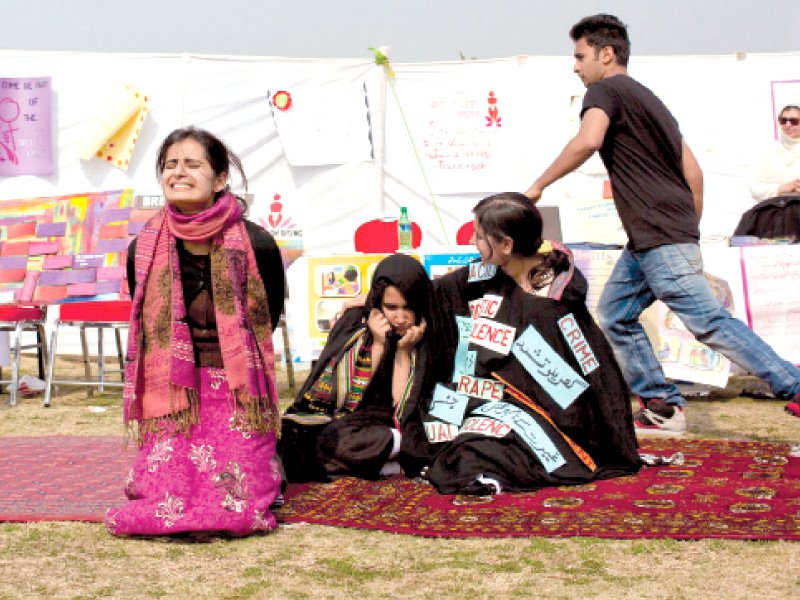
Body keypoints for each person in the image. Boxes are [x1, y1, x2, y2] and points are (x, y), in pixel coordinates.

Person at [524, 14, 800, 434]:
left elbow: (588, 140)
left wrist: (537, 187)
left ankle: (794, 386)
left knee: (709, 323)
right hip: (655, 238)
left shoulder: (605, 90)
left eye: (580, 56)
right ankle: (663, 405)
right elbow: (694, 172)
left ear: (607, 53)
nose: (575, 66)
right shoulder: (653, 102)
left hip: (659, 237)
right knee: (616, 312)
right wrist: (687, 229)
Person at [106, 127, 286, 536]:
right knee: (166, 499)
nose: (179, 173)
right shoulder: (144, 248)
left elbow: (265, 322)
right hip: (173, 391)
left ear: (220, 178)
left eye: (192, 164)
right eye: (170, 165)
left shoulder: (256, 245)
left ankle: (268, 468)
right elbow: (149, 331)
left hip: (238, 394)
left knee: (234, 508)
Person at [423, 192, 641, 495]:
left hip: (558, 419)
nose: (473, 241)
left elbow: (570, 386)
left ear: (507, 245)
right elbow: (440, 291)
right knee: (434, 425)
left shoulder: (552, 303)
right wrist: (378, 297)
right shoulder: (489, 270)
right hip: (494, 395)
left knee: (475, 451)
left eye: (479, 236)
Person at [280, 253, 439, 482]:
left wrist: (403, 352)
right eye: (391, 307)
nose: (400, 318)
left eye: (408, 308)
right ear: (377, 301)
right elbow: (343, 399)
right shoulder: (356, 322)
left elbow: (401, 408)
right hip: (352, 420)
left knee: (401, 438)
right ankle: (386, 463)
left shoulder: (427, 331)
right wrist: (377, 343)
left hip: (396, 426)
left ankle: (385, 460)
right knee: (299, 439)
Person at [749, 105, 800, 202]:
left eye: (794, 121)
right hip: (775, 213)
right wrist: (780, 189)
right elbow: (754, 188)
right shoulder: (770, 152)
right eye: (783, 121)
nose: (787, 125)